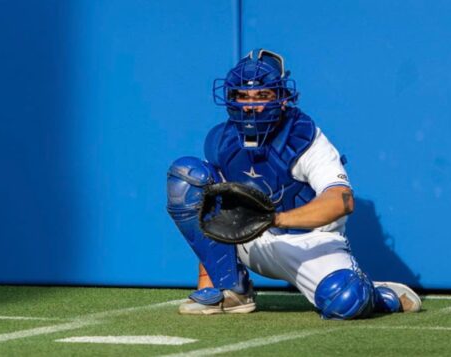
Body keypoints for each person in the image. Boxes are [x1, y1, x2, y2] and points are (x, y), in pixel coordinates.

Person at [166, 49, 421, 319]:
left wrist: (275, 219)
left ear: (281, 98)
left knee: (346, 300)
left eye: (262, 95)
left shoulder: (304, 138)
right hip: (253, 242)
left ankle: (379, 294)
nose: (251, 105)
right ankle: (230, 289)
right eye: (243, 96)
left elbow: (341, 201)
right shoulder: (222, 140)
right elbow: (211, 214)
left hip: (311, 244)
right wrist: (208, 280)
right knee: (187, 178)